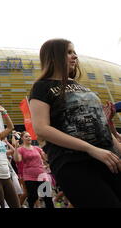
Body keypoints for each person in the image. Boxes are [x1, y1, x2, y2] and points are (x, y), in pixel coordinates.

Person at [29, 38, 121, 208]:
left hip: (108, 157)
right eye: (69, 52)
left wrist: (117, 148)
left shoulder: (81, 86)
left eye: (74, 52)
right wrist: (91, 149)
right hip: (74, 163)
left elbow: (101, 125)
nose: (74, 56)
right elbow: (41, 129)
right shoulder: (41, 87)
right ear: (54, 56)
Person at [13, 131, 54, 208]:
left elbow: (46, 158)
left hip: (42, 175)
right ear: (22, 138)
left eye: (29, 136)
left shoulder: (37, 148)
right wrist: (15, 147)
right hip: (29, 176)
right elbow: (17, 159)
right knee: (33, 197)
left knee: (48, 197)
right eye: (26, 136)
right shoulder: (20, 149)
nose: (29, 138)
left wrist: (46, 145)